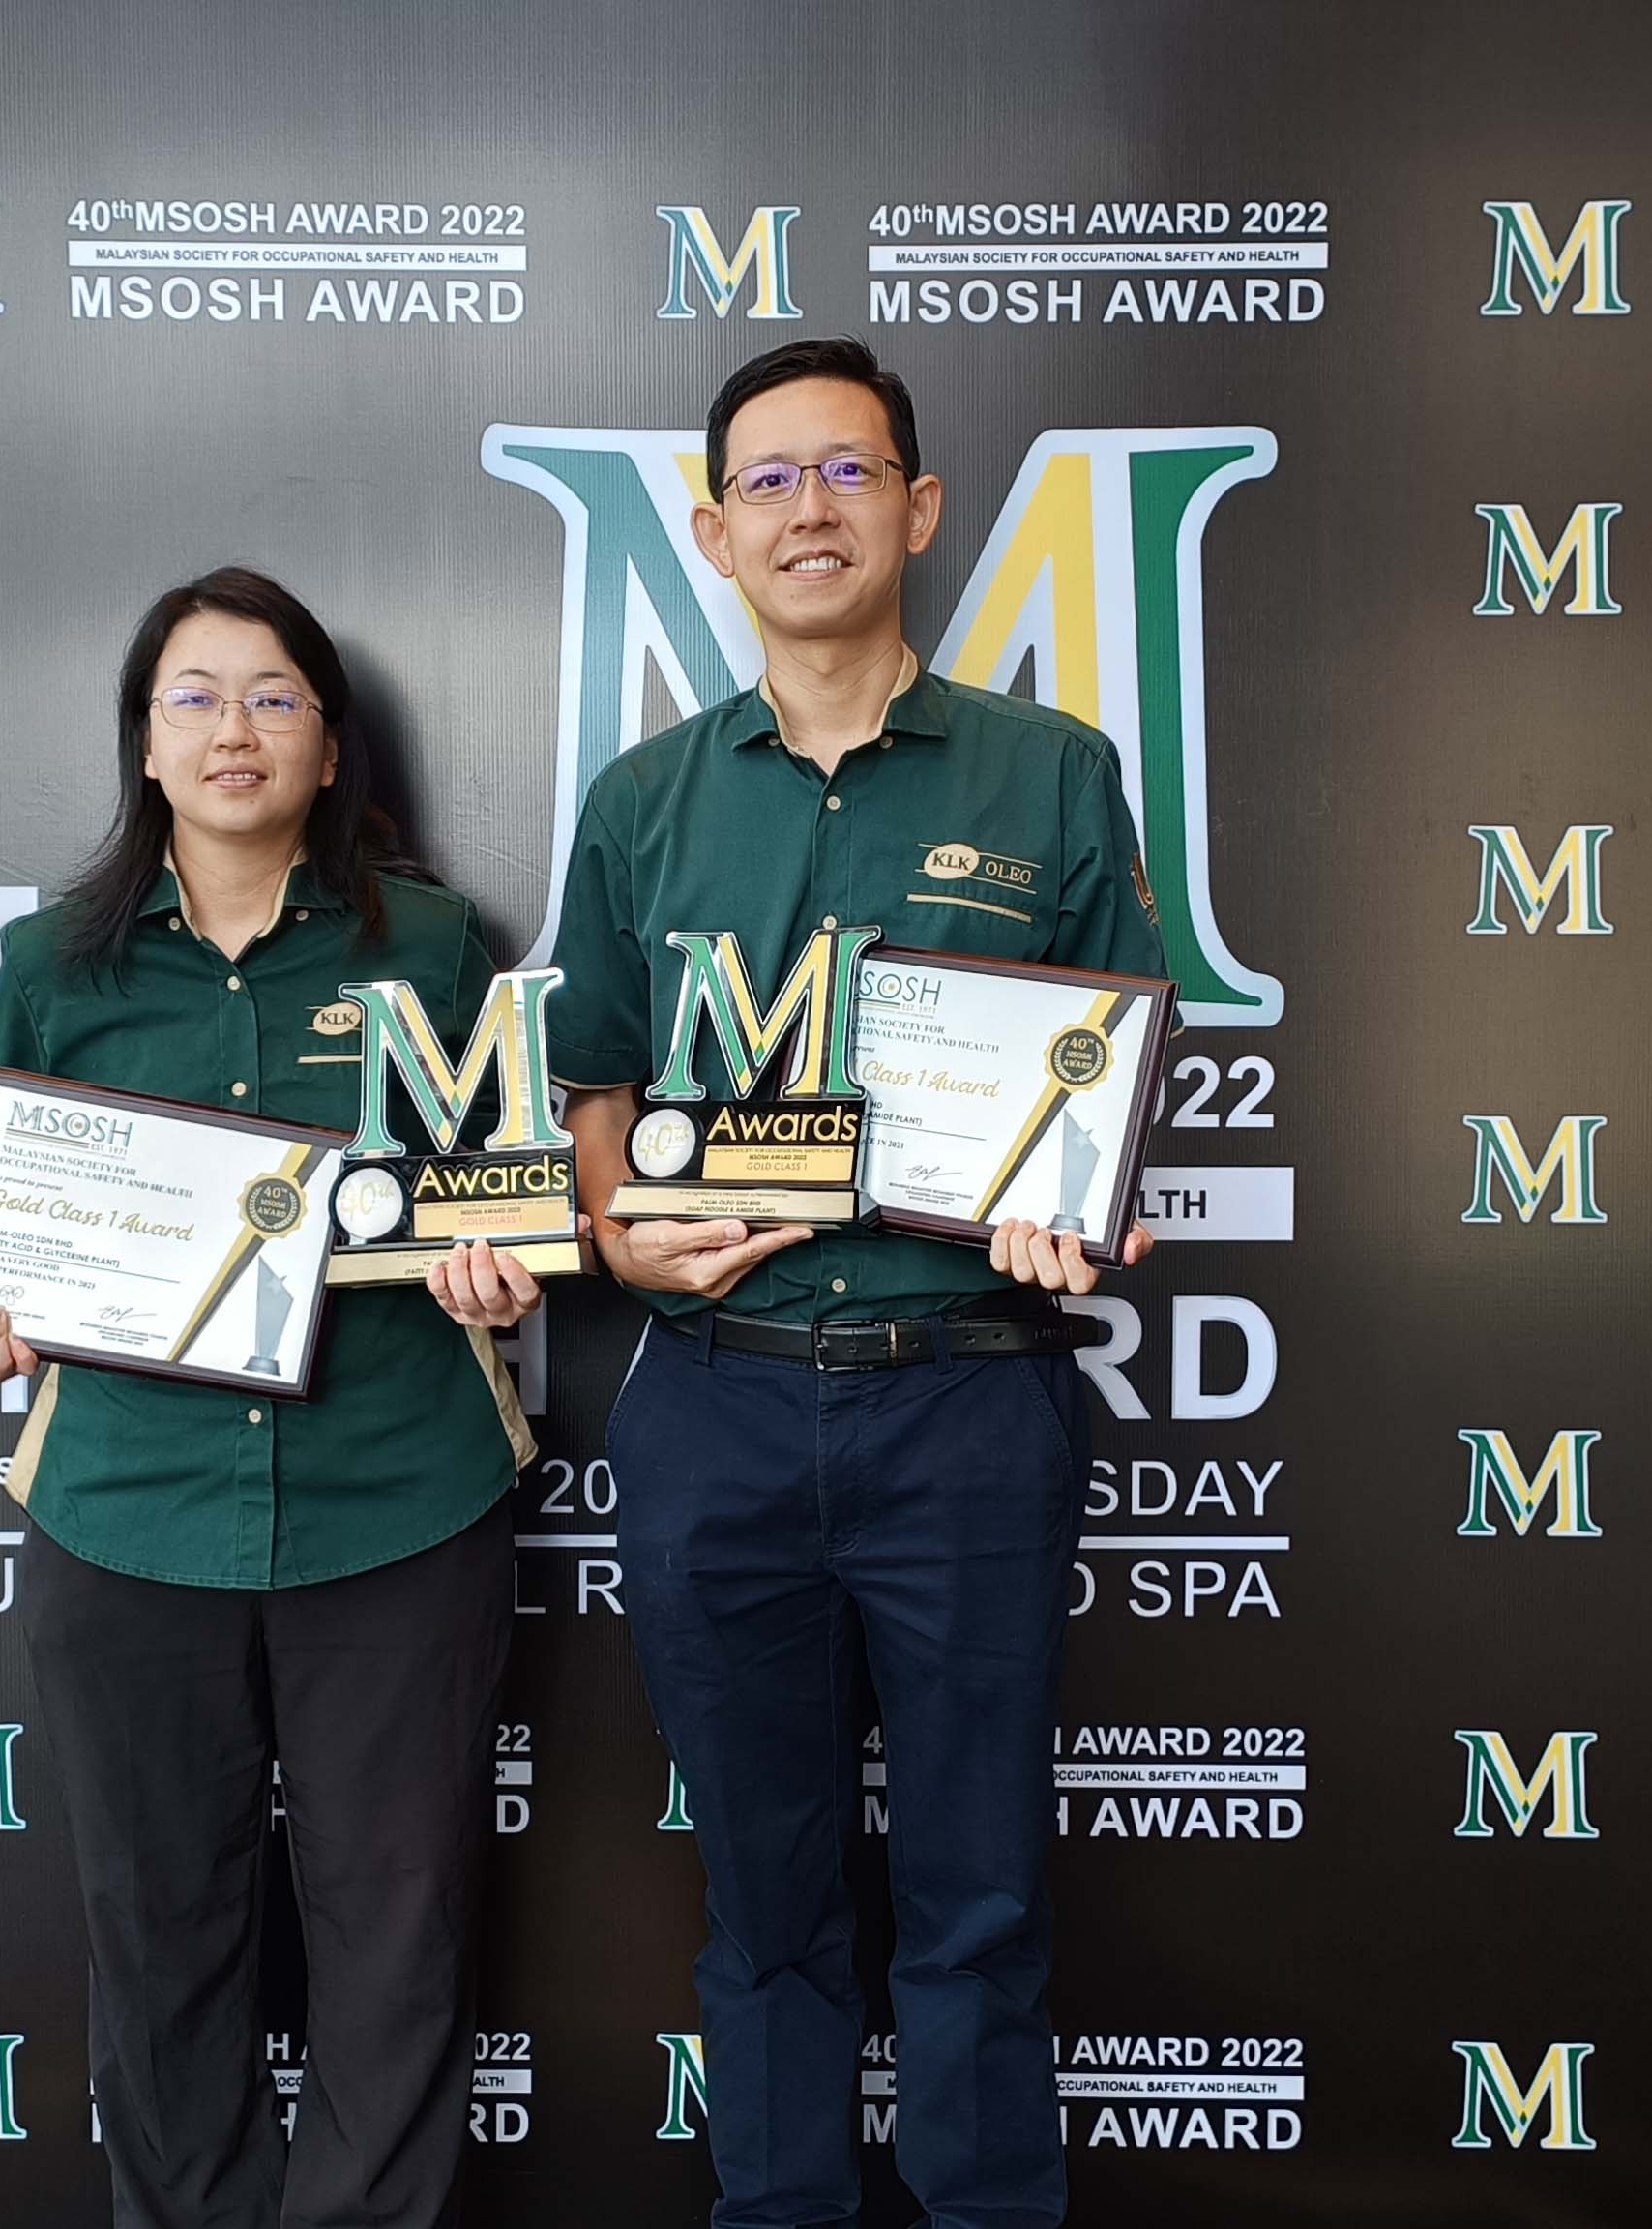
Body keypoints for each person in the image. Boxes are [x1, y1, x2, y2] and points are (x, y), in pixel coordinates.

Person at [546, 339, 1165, 2229]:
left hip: (968, 1393)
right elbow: (596, 1093)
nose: (808, 510)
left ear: (919, 508)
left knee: (979, 1896)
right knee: (762, 1903)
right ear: (713, 531)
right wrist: (617, 1228)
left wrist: (1089, 1207)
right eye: (769, 480)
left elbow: (1105, 1092)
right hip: (715, 1402)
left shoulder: (1052, 774)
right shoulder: (642, 800)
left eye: (847, 472)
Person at [0, 567, 555, 2229]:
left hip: (399, 1505)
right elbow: (25, 1230)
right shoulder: (53, 964)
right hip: (129, 1515)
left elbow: (499, 1198)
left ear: (331, 744)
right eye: (192, 697)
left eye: (274, 697)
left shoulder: (435, 947)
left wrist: (502, 1274)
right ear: (144, 742)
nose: (233, 729)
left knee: (396, 1937)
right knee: (159, 1932)